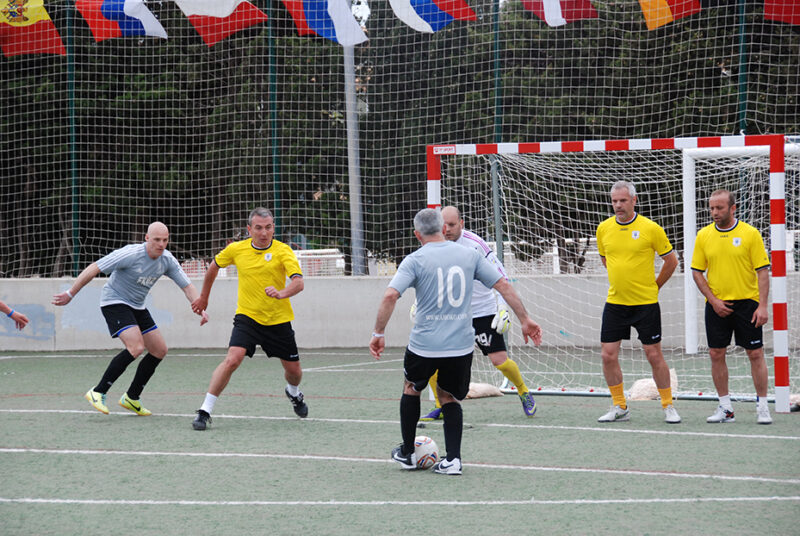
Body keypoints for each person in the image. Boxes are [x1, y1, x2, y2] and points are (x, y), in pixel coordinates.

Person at [370, 208, 542, 476]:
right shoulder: (470, 255)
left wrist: (378, 333)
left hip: (425, 344)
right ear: (441, 228)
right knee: (449, 396)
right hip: (460, 344)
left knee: (411, 388)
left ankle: (407, 453)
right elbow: (503, 285)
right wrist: (526, 319)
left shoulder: (414, 260)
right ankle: (454, 460)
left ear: (417, 234)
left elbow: (390, 296)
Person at [52, 222, 208, 416]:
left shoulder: (167, 260)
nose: (161, 244)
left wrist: (199, 307)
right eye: (157, 240)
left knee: (159, 350)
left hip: (137, 306)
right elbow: (94, 267)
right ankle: (98, 391)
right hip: (114, 301)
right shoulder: (130, 254)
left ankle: (132, 397)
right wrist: (70, 293)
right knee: (136, 347)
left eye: (165, 240)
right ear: (147, 238)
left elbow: (187, 286)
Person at [190, 207, 306, 431]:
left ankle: (293, 393)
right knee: (233, 359)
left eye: (269, 227)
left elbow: (298, 282)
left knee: (295, 372)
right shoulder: (236, 249)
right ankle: (205, 410)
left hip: (278, 320)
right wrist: (203, 297)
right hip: (247, 317)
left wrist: (281, 293)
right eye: (259, 228)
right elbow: (213, 267)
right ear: (249, 229)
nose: (264, 233)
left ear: (273, 228)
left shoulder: (283, 251)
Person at [420, 206, 536, 422]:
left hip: (482, 313)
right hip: (452, 315)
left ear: (461, 223)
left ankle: (523, 392)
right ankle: (441, 407)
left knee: (499, 361)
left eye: (452, 225)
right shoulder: (435, 244)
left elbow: (501, 279)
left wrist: (502, 308)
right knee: (432, 361)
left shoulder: (476, 245)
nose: (447, 230)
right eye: (444, 225)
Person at [595, 181, 681, 424]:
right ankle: (620, 406)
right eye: (614, 201)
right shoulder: (603, 229)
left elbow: (671, 261)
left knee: (654, 355)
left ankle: (668, 405)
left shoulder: (650, 228)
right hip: (615, 303)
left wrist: (655, 286)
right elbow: (606, 259)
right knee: (607, 355)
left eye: (623, 200)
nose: (618, 205)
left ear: (634, 200)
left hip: (645, 304)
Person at [691, 189, 772, 425]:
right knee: (716, 353)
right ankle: (726, 408)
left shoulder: (750, 234)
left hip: (748, 304)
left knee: (755, 353)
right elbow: (696, 272)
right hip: (717, 305)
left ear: (733, 208)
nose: (714, 212)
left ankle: (763, 406)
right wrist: (713, 301)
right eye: (712, 208)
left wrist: (763, 306)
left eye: (719, 208)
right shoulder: (704, 235)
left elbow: (763, 271)